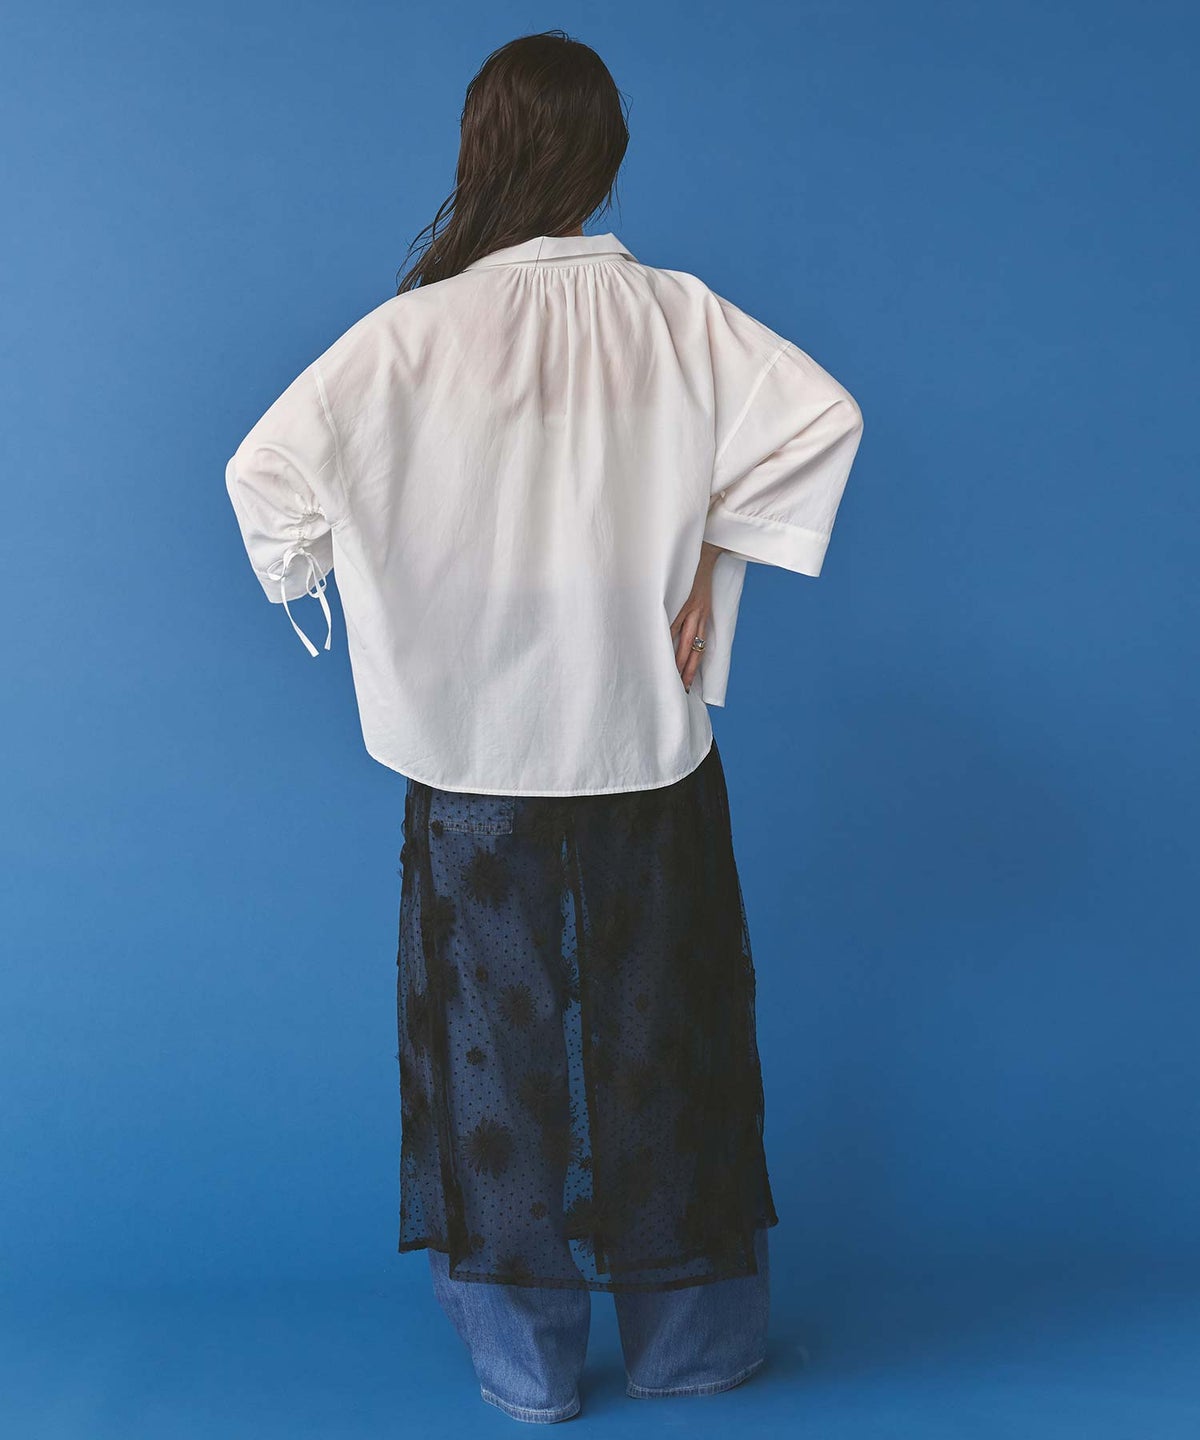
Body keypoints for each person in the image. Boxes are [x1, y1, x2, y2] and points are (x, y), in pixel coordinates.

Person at [224, 27, 863, 1426]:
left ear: (483, 153)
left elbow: (267, 473)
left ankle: (527, 1367)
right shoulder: (680, 318)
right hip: (644, 740)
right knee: (664, 1044)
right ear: (608, 155)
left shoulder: (413, 335)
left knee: (492, 1064)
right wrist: (711, 559)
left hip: (475, 758)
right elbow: (819, 418)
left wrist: (358, 584)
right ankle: (693, 1348)